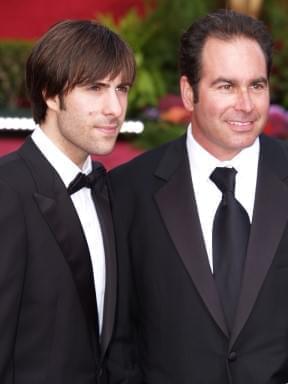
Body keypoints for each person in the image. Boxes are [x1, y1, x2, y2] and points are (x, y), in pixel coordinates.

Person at [107, 9, 288, 383]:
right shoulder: (128, 191)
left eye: (256, 85)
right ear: (189, 93)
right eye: (226, 86)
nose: (246, 104)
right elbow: (118, 338)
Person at [0, 19, 135, 383]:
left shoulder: (112, 190)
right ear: (49, 93)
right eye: (95, 88)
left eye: (121, 89)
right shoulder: (7, 192)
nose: (114, 108)